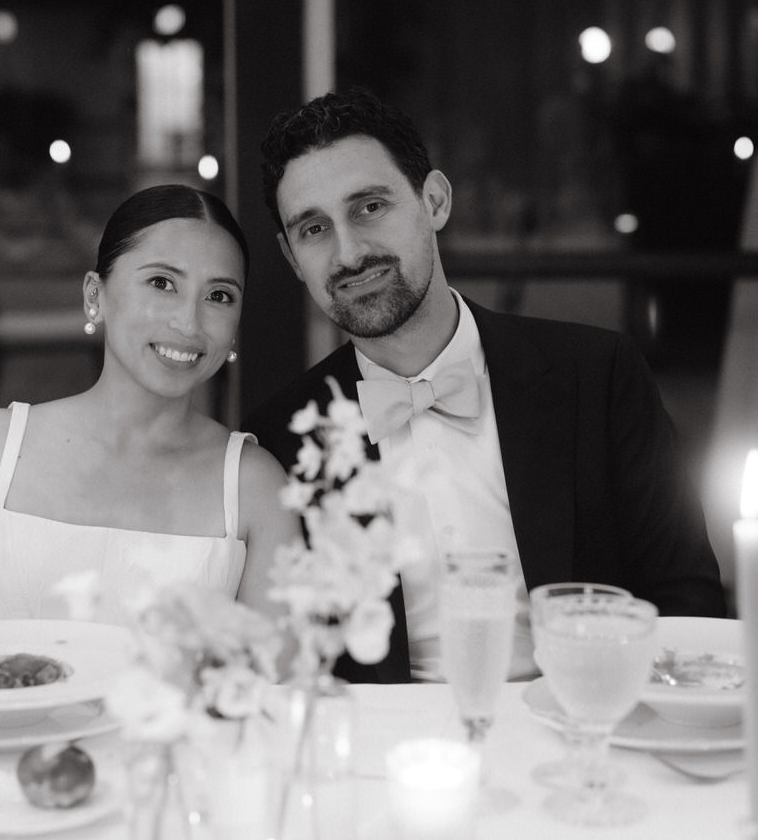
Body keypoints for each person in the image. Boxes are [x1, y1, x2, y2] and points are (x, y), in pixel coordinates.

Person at [242, 87, 726, 683]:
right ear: (292, 258)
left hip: (578, 723)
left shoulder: (596, 376)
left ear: (435, 201)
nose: (350, 252)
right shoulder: (280, 442)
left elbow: (686, 598)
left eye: (370, 207)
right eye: (314, 229)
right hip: (382, 754)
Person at [0, 184, 297, 628]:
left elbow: (276, 685)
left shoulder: (256, 486)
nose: (189, 323)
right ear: (95, 295)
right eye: (162, 283)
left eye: (219, 296)